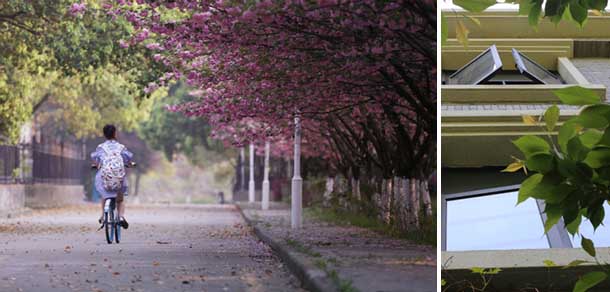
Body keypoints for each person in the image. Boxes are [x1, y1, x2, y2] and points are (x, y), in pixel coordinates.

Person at [91, 124, 133, 229]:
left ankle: (102, 215)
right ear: (115, 133)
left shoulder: (100, 147)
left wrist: (96, 165)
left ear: (104, 134)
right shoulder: (121, 147)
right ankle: (121, 217)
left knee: (104, 194)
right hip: (118, 178)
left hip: (105, 176)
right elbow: (127, 160)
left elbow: (96, 160)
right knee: (120, 199)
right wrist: (130, 164)